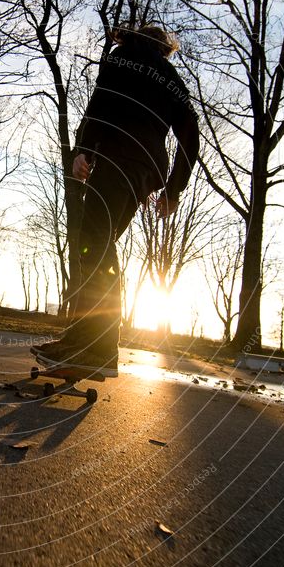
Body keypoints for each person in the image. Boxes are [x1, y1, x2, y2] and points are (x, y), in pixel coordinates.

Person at [33, 24, 200, 376]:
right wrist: (174, 188)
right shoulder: (171, 78)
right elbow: (190, 129)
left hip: (115, 157)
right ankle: (83, 339)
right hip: (143, 171)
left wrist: (82, 150)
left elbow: (100, 103)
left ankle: (100, 348)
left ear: (137, 38)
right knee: (100, 244)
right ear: (165, 49)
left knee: (94, 244)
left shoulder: (122, 56)